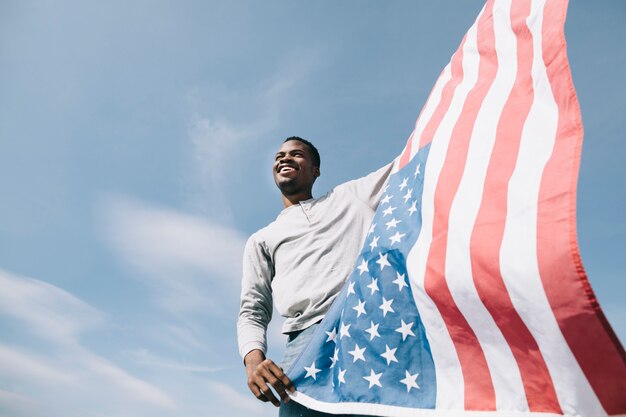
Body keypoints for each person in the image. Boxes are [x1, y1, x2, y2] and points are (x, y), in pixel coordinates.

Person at [237, 136, 393, 416]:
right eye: (279, 156)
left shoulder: (349, 197)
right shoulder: (262, 239)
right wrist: (253, 361)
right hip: (306, 347)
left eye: (296, 154)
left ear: (315, 170)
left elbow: (409, 162)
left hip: (367, 332)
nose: (284, 158)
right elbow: (252, 309)